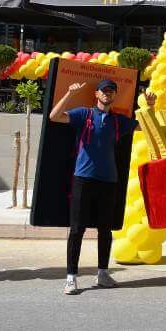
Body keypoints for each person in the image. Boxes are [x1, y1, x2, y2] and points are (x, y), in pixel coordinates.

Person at [49, 78, 139, 296]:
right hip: (83, 178)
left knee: (105, 230)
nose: (107, 94)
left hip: (109, 181)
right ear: (96, 94)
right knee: (77, 230)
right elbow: (54, 116)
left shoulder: (119, 120)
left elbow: (144, 126)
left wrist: (150, 107)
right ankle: (71, 278)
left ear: (115, 96)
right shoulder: (84, 114)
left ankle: (103, 273)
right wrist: (69, 93)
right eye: (104, 91)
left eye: (111, 91)